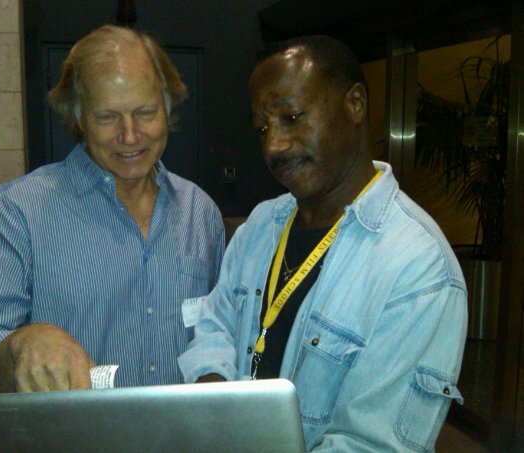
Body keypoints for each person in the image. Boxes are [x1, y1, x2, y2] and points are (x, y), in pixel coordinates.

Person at [178, 35, 468, 452]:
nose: (273, 145)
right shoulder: (263, 224)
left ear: (355, 104)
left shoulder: (418, 267)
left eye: (291, 117)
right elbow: (216, 324)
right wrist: (215, 391)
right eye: (263, 128)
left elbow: (371, 444)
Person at [0, 25, 225, 394]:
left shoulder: (200, 213)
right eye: (107, 117)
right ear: (79, 117)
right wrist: (20, 344)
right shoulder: (18, 212)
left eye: (145, 112)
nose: (130, 135)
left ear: (167, 109)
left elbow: (220, 335)